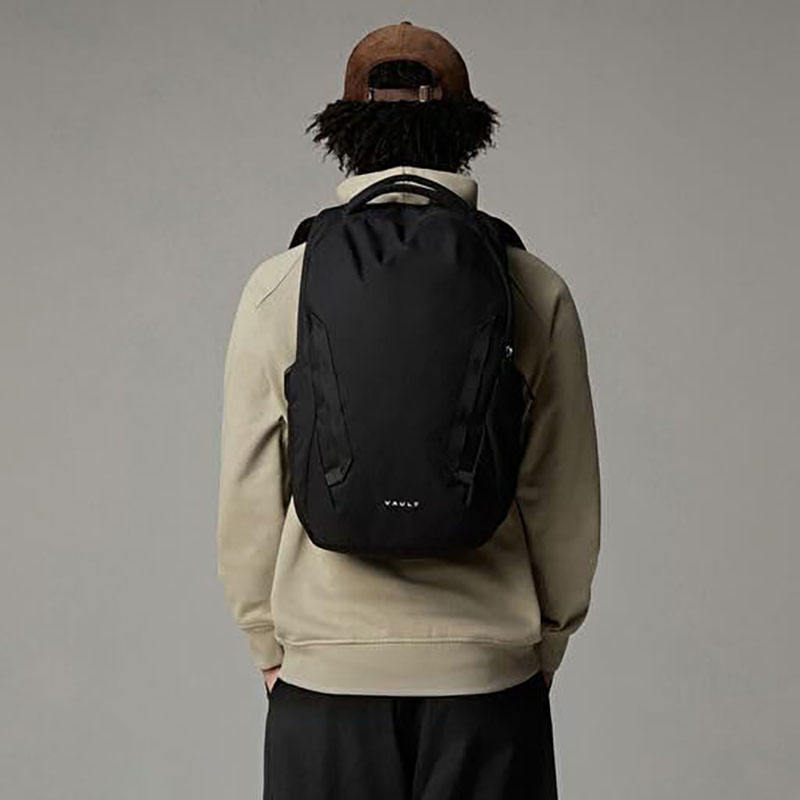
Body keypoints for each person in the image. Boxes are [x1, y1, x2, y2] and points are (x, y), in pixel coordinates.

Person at [217, 21, 600, 800]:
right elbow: (562, 498)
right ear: (466, 132)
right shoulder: (533, 289)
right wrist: (542, 645)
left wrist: (269, 643)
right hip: (488, 685)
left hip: (324, 685)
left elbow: (250, 489)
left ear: (344, 134)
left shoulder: (279, 288)